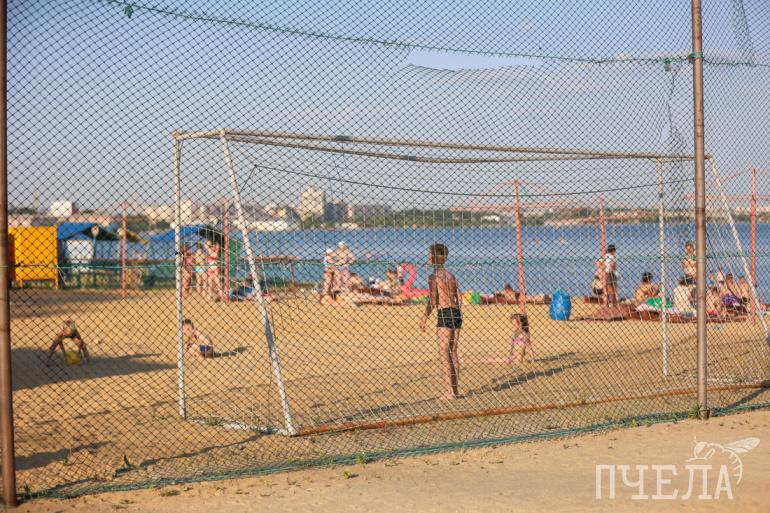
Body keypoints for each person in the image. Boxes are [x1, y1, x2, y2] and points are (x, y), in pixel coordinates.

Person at [419, 243, 462, 400]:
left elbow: (432, 300)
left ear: (435, 257)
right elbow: (459, 296)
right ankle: (455, 390)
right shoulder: (450, 275)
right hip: (456, 313)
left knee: (444, 353)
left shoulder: (434, 276)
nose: (428, 257)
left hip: (444, 313)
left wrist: (424, 317)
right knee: (453, 352)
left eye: (429, 254)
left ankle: (449, 392)